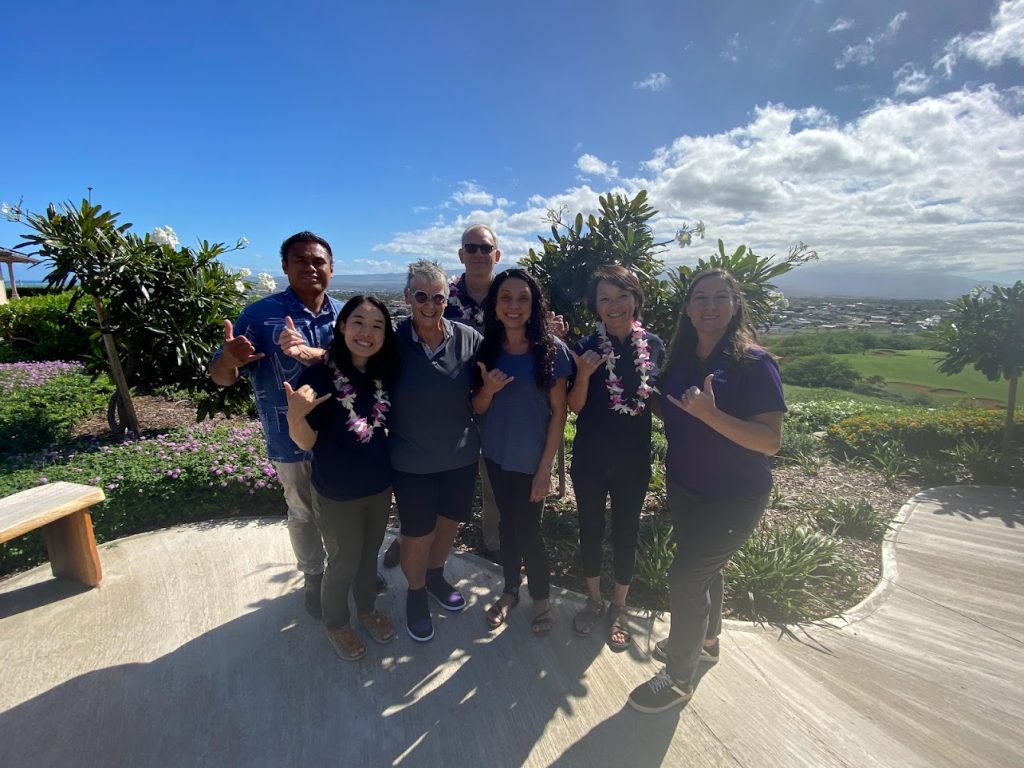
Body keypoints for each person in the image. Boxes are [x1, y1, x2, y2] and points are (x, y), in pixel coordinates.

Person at [627, 269, 785, 714]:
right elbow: (673, 409)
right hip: (686, 486)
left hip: (735, 496)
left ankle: (678, 678)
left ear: (736, 305)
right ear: (687, 307)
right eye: (700, 298)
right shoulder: (680, 359)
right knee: (705, 573)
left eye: (720, 298)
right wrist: (639, 396)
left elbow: (770, 441)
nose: (709, 306)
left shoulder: (754, 363)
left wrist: (711, 416)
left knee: (685, 578)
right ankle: (708, 643)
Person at [210, 231, 339, 619]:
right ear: (285, 266)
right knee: (302, 511)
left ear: (332, 268)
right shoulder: (258, 315)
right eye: (300, 260)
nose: (310, 267)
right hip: (288, 439)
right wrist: (229, 360)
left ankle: (346, 569)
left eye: (318, 261)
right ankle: (314, 575)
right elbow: (219, 377)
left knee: (343, 509)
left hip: (340, 436)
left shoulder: (347, 314)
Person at [284, 295, 399, 661]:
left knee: (369, 557)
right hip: (337, 492)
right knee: (343, 561)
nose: (367, 332)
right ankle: (336, 622)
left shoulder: (386, 372)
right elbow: (308, 441)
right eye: (358, 322)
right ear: (341, 327)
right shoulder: (319, 375)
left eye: (377, 325)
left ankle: (366, 608)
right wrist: (295, 418)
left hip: (379, 487)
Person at [382, 223, 503, 567]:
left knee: (475, 491)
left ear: (496, 255)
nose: (479, 254)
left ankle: (490, 547)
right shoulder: (407, 331)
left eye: (485, 248)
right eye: (472, 247)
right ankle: (411, 544)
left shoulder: (507, 294)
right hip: (426, 420)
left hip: (483, 402)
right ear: (461, 253)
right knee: (418, 502)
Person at [567, 266, 665, 651]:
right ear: (596, 306)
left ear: (636, 300)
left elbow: (654, 401)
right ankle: (593, 600)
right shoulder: (585, 346)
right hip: (590, 456)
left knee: (627, 532)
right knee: (589, 527)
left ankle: (619, 607)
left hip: (633, 459)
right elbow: (574, 407)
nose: (614, 305)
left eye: (622, 296)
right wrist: (585, 375)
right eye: (605, 298)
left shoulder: (653, 345)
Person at [472, 268, 571, 637]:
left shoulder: (551, 351)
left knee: (530, 531)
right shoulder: (487, 350)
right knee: (507, 526)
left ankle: (541, 599)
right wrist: (488, 391)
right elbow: (478, 408)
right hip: (496, 456)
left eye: (523, 298)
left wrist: (545, 469)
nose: (514, 306)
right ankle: (510, 590)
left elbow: (560, 412)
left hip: (532, 460)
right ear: (495, 306)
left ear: (534, 305)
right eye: (506, 298)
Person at [389, 260, 483, 642]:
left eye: (439, 296)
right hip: (411, 460)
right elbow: (351, 360)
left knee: (448, 525)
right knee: (417, 534)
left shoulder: (468, 338)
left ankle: (434, 577)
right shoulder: (392, 341)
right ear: (408, 296)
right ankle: (414, 595)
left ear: (448, 298)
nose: (431, 304)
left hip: (460, 457)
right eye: (422, 296)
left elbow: (497, 370)